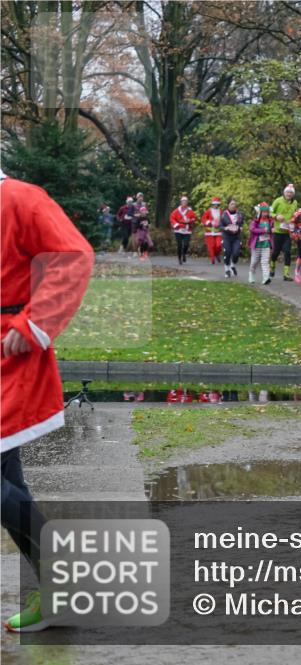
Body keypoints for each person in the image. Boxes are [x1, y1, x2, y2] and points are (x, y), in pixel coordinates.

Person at [1, 169, 95, 632]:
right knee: (6, 478)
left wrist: (34, 322)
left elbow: (74, 255)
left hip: (8, 353)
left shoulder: (22, 198)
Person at [270, 184, 298, 281]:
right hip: (278, 231)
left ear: (293, 194)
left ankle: (286, 274)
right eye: (287, 192)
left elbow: (295, 214)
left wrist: (294, 219)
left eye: (291, 193)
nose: (289, 194)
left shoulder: (295, 203)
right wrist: (276, 216)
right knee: (276, 251)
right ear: (284, 192)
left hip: (287, 232)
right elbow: (269, 212)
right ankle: (272, 265)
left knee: (287, 251)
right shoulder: (278, 201)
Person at [248, 202, 274, 285]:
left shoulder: (270, 221)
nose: (265, 214)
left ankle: (266, 278)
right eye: (263, 212)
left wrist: (272, 230)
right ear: (260, 212)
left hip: (266, 243)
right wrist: (263, 230)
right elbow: (252, 229)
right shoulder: (255, 221)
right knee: (254, 261)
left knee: (265, 261)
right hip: (256, 244)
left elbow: (272, 229)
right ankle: (251, 274)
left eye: (266, 212)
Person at [169, 195, 197, 265]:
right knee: (179, 245)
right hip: (178, 230)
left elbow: (194, 218)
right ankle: (179, 258)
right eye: (183, 201)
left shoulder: (190, 211)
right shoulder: (176, 211)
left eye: (185, 201)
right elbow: (172, 218)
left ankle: (184, 254)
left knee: (186, 245)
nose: (184, 202)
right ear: (181, 202)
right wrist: (176, 224)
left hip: (187, 230)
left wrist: (190, 220)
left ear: (187, 202)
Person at [220, 199, 244, 278]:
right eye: (231, 204)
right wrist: (225, 228)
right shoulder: (224, 215)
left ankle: (232, 265)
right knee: (227, 252)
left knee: (236, 253)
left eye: (234, 204)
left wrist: (240, 228)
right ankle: (227, 269)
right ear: (228, 205)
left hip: (236, 237)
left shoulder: (239, 214)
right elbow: (220, 226)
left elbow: (241, 225)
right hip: (227, 237)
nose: (233, 205)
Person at [201, 197, 223, 265]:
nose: (216, 205)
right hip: (209, 231)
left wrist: (221, 223)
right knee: (211, 246)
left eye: (217, 204)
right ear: (212, 204)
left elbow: (224, 219)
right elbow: (203, 219)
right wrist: (208, 222)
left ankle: (217, 254)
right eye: (214, 204)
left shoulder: (221, 211)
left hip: (218, 231)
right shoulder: (208, 211)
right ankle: (212, 258)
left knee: (219, 245)